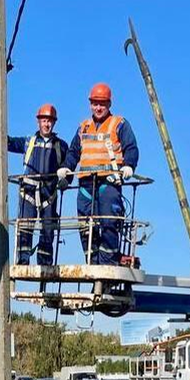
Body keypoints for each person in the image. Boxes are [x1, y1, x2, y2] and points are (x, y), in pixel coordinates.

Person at [58, 83, 139, 265]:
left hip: (108, 182)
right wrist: (66, 170)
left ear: (109, 104)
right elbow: (73, 152)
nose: (98, 107)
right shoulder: (83, 127)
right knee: (86, 227)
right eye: (95, 103)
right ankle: (93, 263)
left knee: (109, 223)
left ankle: (107, 264)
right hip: (86, 184)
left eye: (102, 103)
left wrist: (129, 166)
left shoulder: (119, 124)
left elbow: (131, 147)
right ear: (90, 104)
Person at [8, 104, 68, 265]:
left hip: (49, 192)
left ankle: (45, 262)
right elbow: (8, 143)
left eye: (49, 121)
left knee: (48, 228)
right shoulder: (28, 142)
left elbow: (69, 165)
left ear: (54, 123)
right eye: (44, 120)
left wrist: (65, 181)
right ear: (38, 122)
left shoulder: (61, 146)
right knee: (25, 226)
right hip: (28, 190)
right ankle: (22, 260)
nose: (46, 124)